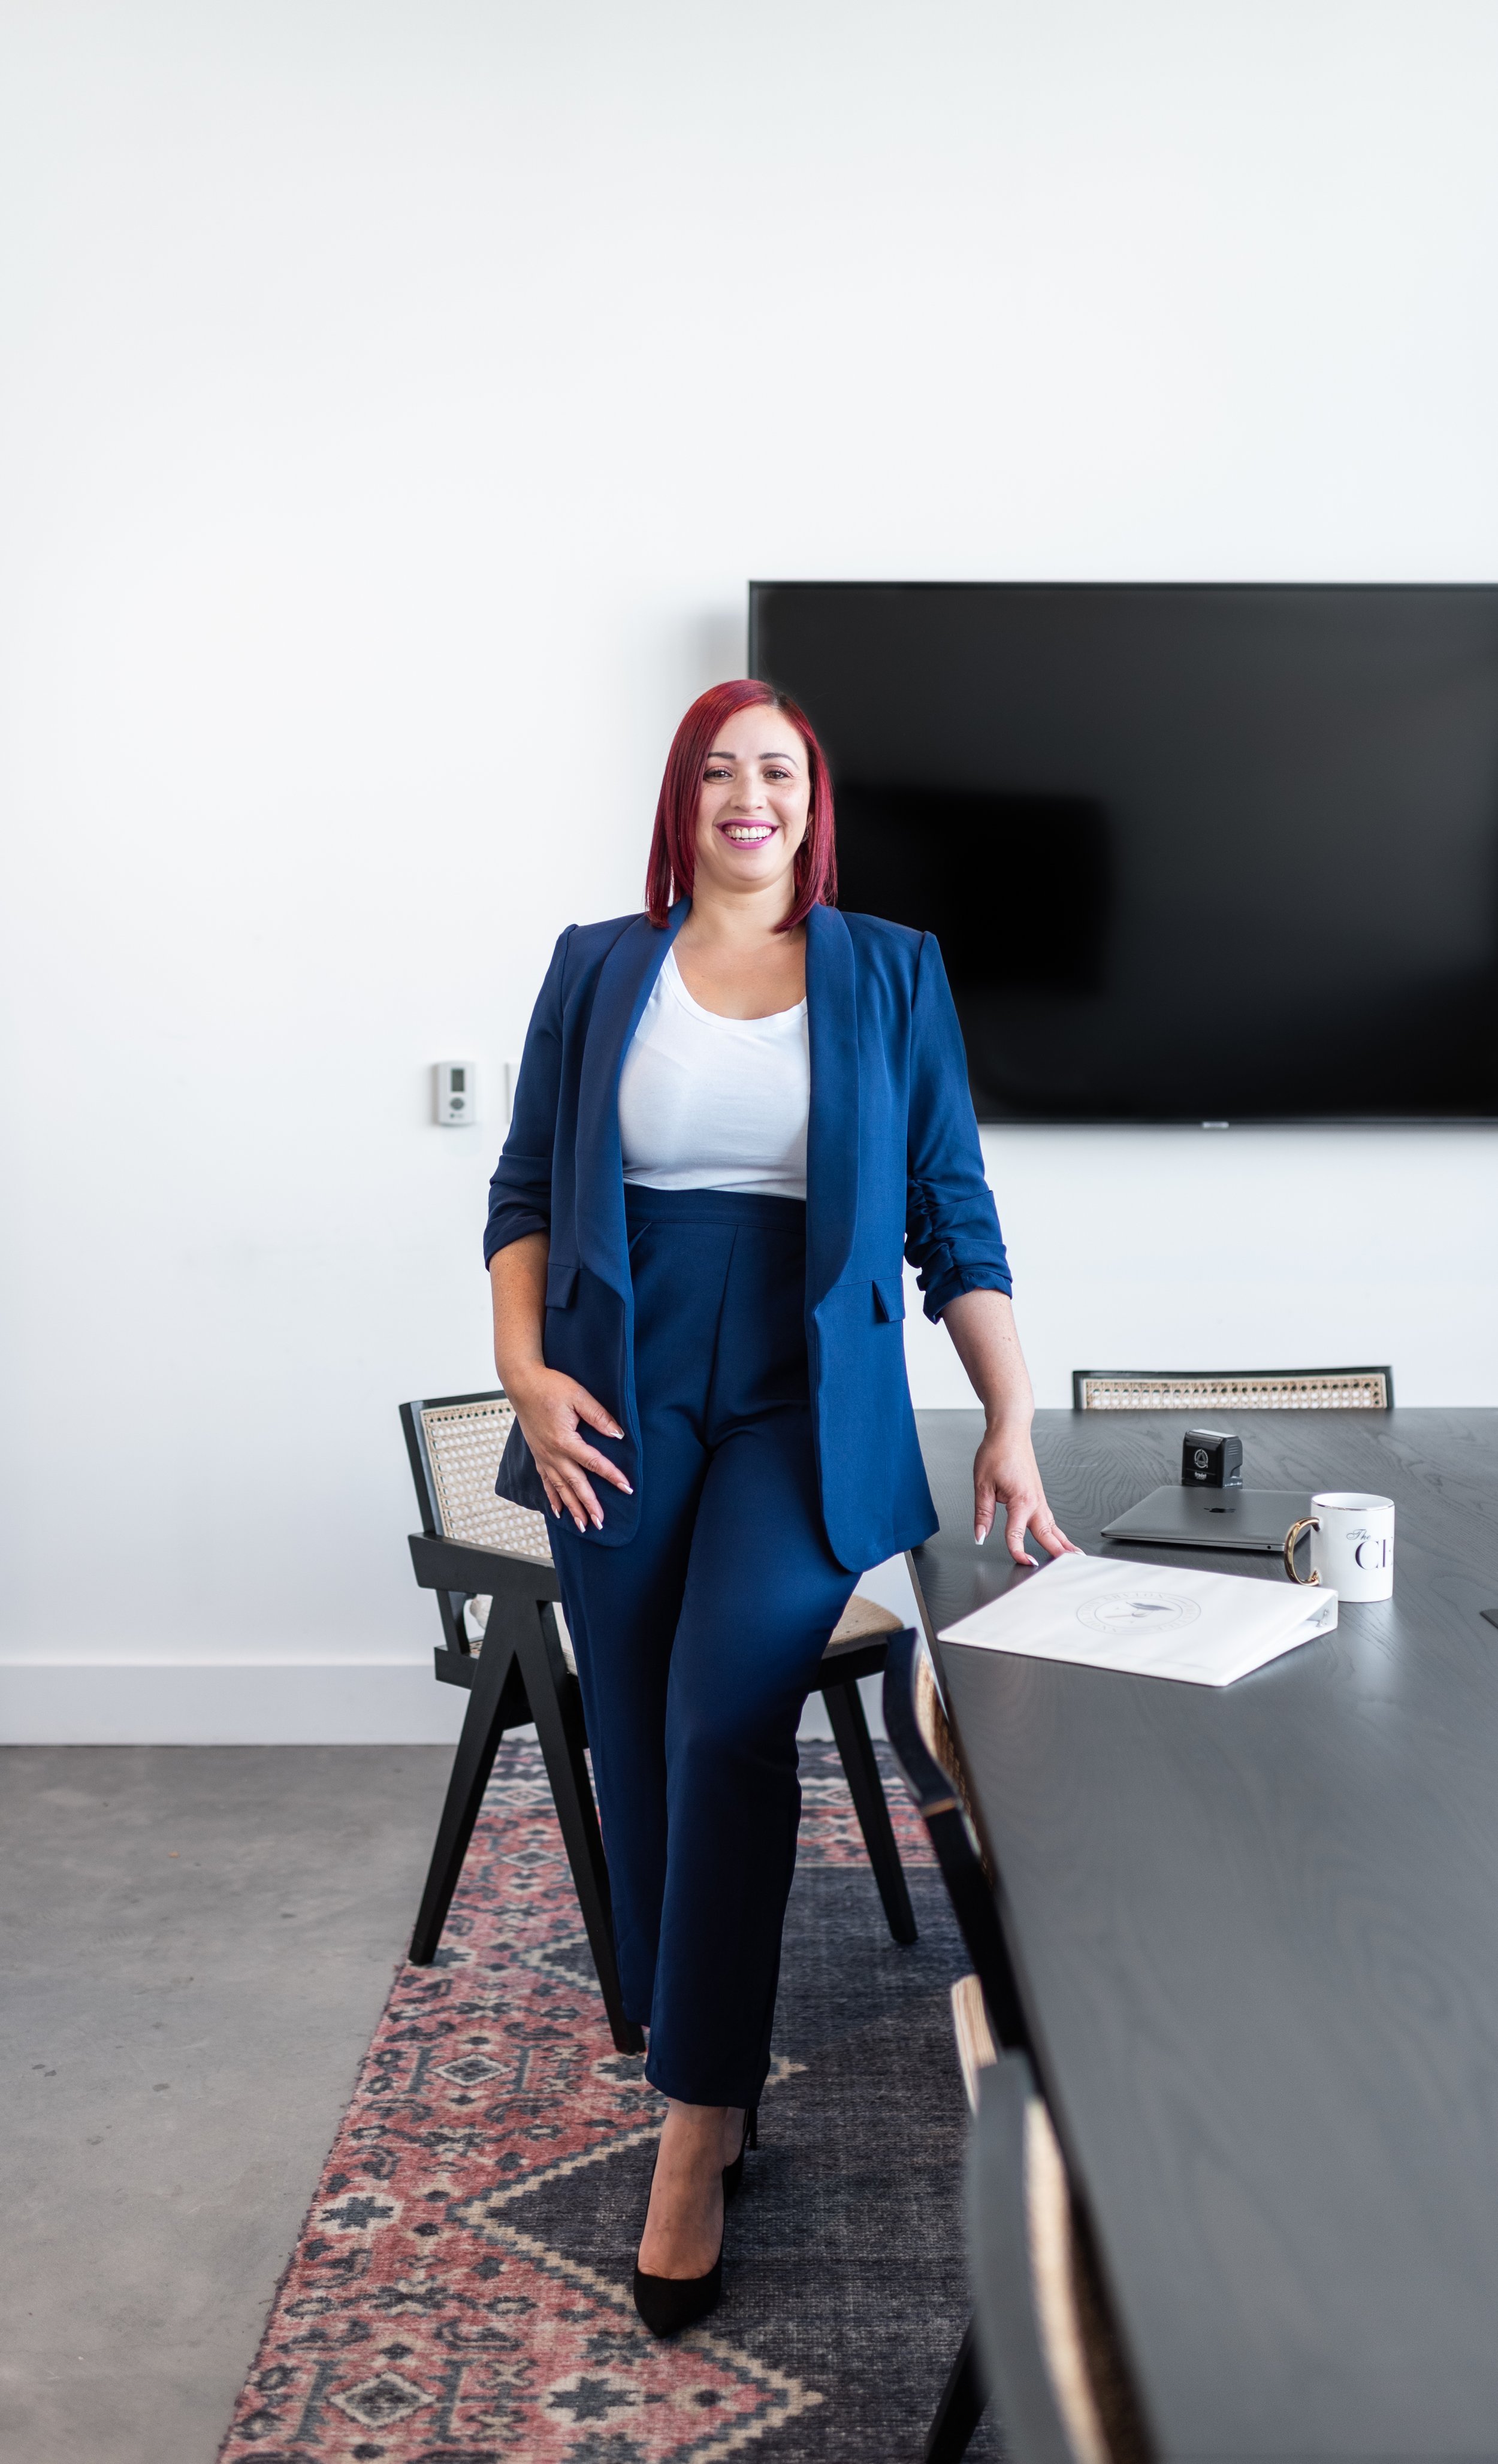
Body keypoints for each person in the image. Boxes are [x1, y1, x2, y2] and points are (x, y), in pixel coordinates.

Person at [484, 678, 1073, 2335]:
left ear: (813, 805)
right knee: (634, 1732)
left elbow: (950, 1209)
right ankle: (709, 2067)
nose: (751, 796)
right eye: (720, 771)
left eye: (782, 773)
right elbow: (524, 1189)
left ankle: (693, 2126)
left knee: (720, 1719)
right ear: (682, 798)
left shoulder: (890, 969)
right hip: (617, 1384)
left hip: (807, 1400)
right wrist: (522, 1373)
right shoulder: (594, 965)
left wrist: (1010, 1414)